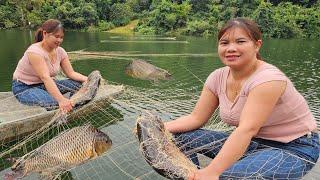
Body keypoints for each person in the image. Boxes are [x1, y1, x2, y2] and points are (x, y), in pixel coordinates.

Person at [165, 17, 319, 180]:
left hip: (294, 148)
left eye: (240, 41)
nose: (231, 48)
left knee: (228, 176)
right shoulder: (217, 77)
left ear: (257, 45)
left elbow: (246, 129)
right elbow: (196, 118)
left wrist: (212, 172)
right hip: (253, 143)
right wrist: (158, 127)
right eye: (224, 43)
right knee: (178, 138)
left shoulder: (268, 80)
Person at [12, 19, 88, 112]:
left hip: (44, 84)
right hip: (24, 87)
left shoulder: (60, 51)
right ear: (45, 34)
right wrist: (61, 100)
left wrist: (88, 79)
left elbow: (71, 73)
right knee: (54, 104)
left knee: (80, 85)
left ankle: (71, 105)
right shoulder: (34, 52)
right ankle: (67, 106)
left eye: (61, 37)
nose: (59, 40)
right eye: (56, 36)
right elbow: (45, 77)